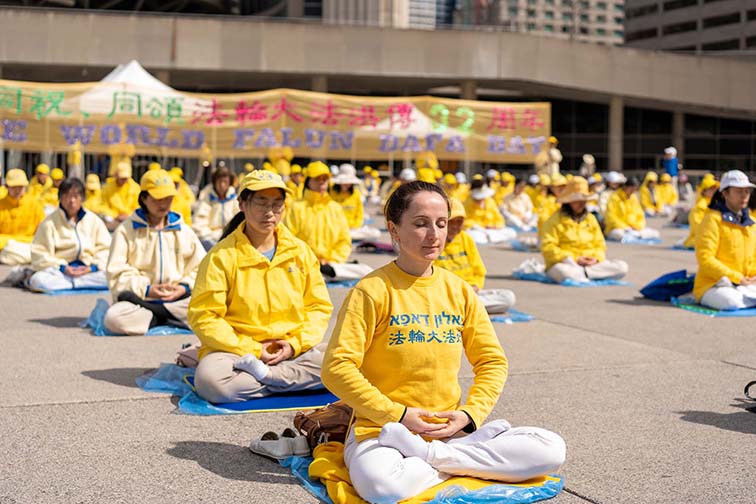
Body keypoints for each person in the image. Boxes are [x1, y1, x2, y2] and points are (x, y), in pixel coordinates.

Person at [321, 181, 565, 503]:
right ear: (394, 230)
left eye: (441, 223)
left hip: (449, 431)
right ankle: (459, 462)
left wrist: (469, 415)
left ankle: (432, 456)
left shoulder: (459, 290)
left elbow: (492, 361)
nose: (434, 235)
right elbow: (336, 368)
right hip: (384, 430)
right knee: (382, 488)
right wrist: (398, 414)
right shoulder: (371, 291)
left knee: (550, 449)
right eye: (420, 224)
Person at [188, 170, 333, 403]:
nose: (270, 213)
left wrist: (295, 344)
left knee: (360, 362)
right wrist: (253, 349)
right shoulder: (221, 256)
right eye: (261, 203)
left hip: (292, 350)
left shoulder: (299, 252)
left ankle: (267, 377)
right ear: (242, 204)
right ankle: (290, 381)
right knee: (211, 382)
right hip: (237, 354)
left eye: (277, 204)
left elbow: (319, 307)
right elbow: (205, 316)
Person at [103, 169, 205, 335]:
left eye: (168, 198)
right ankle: (170, 315)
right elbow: (116, 273)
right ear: (144, 198)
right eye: (158, 199)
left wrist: (184, 287)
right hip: (141, 299)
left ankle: (158, 315)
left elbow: (202, 268)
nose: (164, 204)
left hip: (179, 298)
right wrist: (147, 289)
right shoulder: (126, 231)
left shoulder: (183, 231)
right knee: (114, 318)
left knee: (217, 308)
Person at [285, 161, 370, 281]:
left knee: (366, 271)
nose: (321, 182)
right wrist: (310, 259)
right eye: (317, 179)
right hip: (304, 263)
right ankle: (319, 273)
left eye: (324, 179)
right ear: (308, 181)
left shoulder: (335, 208)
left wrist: (332, 260)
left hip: (331, 265)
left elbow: (344, 241)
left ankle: (323, 273)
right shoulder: (296, 207)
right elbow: (288, 240)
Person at [28, 178, 111, 292]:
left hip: (88, 271)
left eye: (76, 196)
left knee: (114, 277)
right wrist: (62, 267)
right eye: (67, 196)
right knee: (38, 280)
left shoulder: (93, 220)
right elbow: (40, 253)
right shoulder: (49, 223)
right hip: (60, 272)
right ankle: (78, 283)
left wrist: (93, 267)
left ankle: (74, 283)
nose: (72, 201)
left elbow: (106, 249)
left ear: (82, 198)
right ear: (60, 198)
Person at [541, 177, 628, 284]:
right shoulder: (553, 221)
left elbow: (600, 245)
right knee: (564, 272)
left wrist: (595, 259)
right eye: (577, 201)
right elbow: (548, 248)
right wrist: (574, 259)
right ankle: (589, 274)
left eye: (583, 200)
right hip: (566, 263)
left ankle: (585, 274)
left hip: (591, 263)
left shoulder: (591, 219)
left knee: (622, 267)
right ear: (568, 201)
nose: (581, 203)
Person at [437, 198, 516, 313]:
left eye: (459, 221)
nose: (455, 226)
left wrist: (475, 287)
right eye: (451, 221)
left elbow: (479, 271)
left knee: (508, 297)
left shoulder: (466, 238)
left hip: (470, 292)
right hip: (446, 295)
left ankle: (464, 309)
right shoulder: (434, 241)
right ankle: (466, 309)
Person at [693, 170, 756, 310]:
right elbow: (705, 259)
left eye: (747, 191)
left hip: (746, 283)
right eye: (738, 191)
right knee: (731, 302)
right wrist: (736, 278)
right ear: (725, 193)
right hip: (714, 283)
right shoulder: (712, 220)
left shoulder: (752, 223)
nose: (744, 195)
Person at [0, 169, 46, 265]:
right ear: (7, 186)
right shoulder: (1, 204)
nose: (17, 190)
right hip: (5, 245)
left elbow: (43, 230)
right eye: (14, 187)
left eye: (20, 187)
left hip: (28, 244)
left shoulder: (34, 204)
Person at [192, 166, 239, 251]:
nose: (222, 185)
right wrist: (209, 238)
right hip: (210, 240)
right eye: (219, 182)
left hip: (232, 240)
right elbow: (198, 223)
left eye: (225, 182)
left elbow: (240, 222)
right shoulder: (206, 199)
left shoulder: (235, 201)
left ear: (229, 183)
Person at [331, 164, 380, 242]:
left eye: (348, 182)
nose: (346, 184)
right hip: (335, 227)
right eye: (344, 182)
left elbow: (359, 214)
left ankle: (345, 237)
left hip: (352, 229)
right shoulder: (331, 194)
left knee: (376, 233)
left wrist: (354, 226)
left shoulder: (356, 194)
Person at [604, 177, 660, 242]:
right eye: (631, 189)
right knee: (619, 234)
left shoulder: (633, 198)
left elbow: (640, 216)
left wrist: (637, 226)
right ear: (625, 187)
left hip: (634, 229)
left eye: (634, 190)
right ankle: (635, 236)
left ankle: (635, 235)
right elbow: (610, 217)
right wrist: (625, 227)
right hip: (618, 228)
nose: (632, 192)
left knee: (655, 233)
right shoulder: (614, 197)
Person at [463, 176, 515, 244]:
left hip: (492, 230)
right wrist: (481, 227)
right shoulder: (467, 203)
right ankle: (491, 238)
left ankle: (489, 238)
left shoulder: (490, 201)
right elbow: (465, 222)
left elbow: (499, 218)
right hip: (477, 231)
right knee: (473, 236)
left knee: (511, 232)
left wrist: (495, 226)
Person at [681, 177, 719, 249]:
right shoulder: (700, 207)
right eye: (711, 188)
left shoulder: (716, 203)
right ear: (704, 191)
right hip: (700, 238)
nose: (714, 190)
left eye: (715, 188)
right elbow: (698, 228)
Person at [101, 161, 141, 229]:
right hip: (113, 218)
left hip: (131, 217)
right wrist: (115, 215)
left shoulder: (135, 188)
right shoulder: (107, 188)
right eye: (122, 178)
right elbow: (103, 206)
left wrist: (128, 215)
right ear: (116, 176)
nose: (124, 180)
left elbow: (138, 206)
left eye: (126, 178)